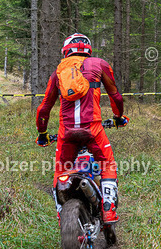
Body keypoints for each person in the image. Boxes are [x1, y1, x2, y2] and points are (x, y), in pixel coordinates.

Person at [36, 33, 128, 224]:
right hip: (93, 129)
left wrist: (43, 134)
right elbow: (116, 96)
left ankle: (62, 214)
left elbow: (44, 109)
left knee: (61, 170)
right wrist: (118, 117)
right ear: (88, 50)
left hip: (67, 133)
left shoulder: (58, 72)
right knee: (107, 164)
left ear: (66, 51)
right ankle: (109, 210)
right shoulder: (100, 64)